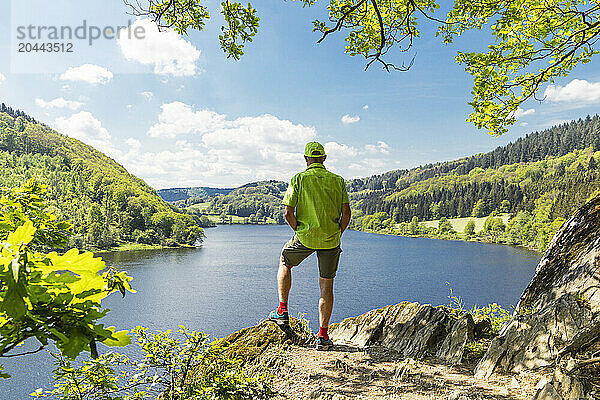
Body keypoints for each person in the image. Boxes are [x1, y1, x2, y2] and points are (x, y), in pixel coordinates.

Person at [268, 141, 351, 350]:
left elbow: (288, 212)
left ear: (306, 159)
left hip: (305, 237)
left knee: (285, 261)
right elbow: (347, 214)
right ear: (324, 158)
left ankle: (282, 311)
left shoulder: (299, 178)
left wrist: (298, 231)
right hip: (331, 239)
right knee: (326, 284)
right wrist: (337, 233)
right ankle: (323, 336)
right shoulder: (338, 180)